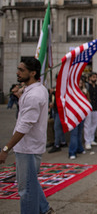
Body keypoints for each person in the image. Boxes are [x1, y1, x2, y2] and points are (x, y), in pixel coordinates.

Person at [0, 58, 54, 214]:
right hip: (27, 146)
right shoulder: (35, 90)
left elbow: (25, 126)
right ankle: (44, 209)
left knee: (26, 190)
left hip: (28, 148)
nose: (17, 72)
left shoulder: (34, 95)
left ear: (33, 73)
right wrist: (19, 96)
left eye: (21, 70)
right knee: (31, 183)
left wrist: (5, 148)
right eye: (18, 69)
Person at [69, 79, 88, 160]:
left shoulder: (84, 91)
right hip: (74, 115)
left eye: (81, 82)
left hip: (81, 114)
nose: (80, 84)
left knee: (80, 132)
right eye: (78, 82)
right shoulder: (72, 92)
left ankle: (79, 148)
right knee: (74, 133)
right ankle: (72, 152)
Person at [84, 72, 97, 150]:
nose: (95, 79)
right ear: (90, 78)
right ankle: (87, 141)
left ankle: (92, 139)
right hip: (88, 108)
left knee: (94, 124)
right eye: (93, 77)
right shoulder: (87, 86)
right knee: (88, 124)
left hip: (95, 107)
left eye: (96, 77)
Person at [48, 87, 67, 153]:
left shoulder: (63, 88)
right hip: (55, 110)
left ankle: (57, 145)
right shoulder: (55, 90)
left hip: (61, 111)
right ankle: (63, 141)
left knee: (57, 127)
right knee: (59, 127)